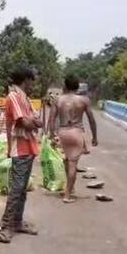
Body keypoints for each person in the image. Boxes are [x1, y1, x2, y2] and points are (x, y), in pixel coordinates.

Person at [0, 67, 41, 244]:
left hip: (28, 147)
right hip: (19, 147)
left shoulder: (24, 98)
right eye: (31, 81)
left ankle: (17, 222)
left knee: (22, 189)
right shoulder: (14, 97)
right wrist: (33, 122)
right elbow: (25, 121)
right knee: (16, 188)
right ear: (26, 80)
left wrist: (33, 122)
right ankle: (7, 226)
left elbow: (36, 121)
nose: (32, 85)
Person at [48, 74, 98, 204]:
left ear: (65, 85)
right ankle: (67, 194)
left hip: (62, 132)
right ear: (77, 86)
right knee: (72, 164)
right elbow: (91, 119)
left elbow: (52, 119)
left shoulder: (58, 100)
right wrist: (94, 136)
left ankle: (70, 188)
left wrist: (51, 135)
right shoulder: (83, 100)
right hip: (76, 132)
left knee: (66, 161)